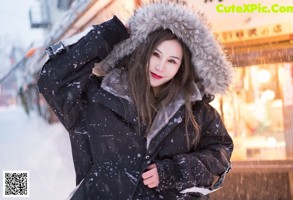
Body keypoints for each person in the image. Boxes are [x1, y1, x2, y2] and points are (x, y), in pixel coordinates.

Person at [37, 2, 234, 200]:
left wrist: (175, 171)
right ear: (142, 52)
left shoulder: (197, 112)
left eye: (172, 61)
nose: (160, 66)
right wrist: (109, 33)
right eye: (155, 54)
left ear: (182, 67)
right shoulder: (96, 98)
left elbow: (220, 155)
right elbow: (52, 80)